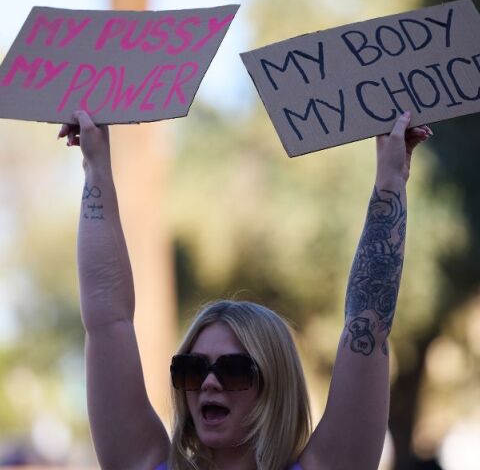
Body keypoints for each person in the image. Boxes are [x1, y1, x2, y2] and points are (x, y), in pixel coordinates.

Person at [58, 110, 431, 470]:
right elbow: (108, 321)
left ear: (275, 384)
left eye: (233, 370)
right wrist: (95, 166)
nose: (208, 383)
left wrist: (391, 180)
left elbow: (368, 324)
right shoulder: (144, 463)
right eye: (191, 369)